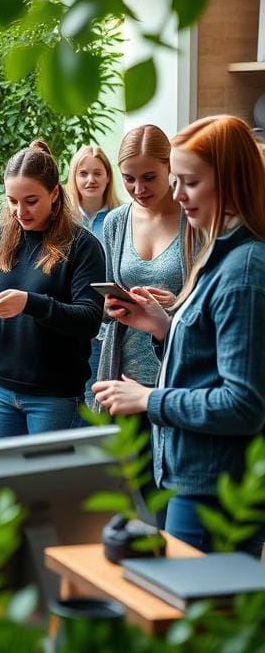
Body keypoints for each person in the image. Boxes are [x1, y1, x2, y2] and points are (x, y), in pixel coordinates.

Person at [94, 115, 265, 554]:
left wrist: (148, 399)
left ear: (228, 182)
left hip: (215, 487)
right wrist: (160, 326)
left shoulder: (245, 269)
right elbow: (210, 356)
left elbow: (243, 404)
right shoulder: (220, 253)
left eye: (188, 182)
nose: (176, 193)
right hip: (194, 473)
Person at [0, 141, 105, 437]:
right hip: (0, 387)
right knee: (7, 480)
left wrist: (31, 303)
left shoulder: (82, 245)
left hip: (54, 395)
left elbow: (89, 319)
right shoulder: (0, 238)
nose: (19, 211)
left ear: (54, 193)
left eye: (30, 201)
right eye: (12, 200)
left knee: (47, 483)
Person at [96, 126, 187, 393]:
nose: (138, 189)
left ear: (169, 167)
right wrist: (111, 306)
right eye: (129, 178)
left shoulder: (193, 220)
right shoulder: (116, 222)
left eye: (149, 177)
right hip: (124, 372)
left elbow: (214, 297)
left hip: (178, 372)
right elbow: (106, 301)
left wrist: (179, 302)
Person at [66, 144, 122, 407]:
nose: (90, 180)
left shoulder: (120, 218)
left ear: (108, 176)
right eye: (83, 173)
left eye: (97, 173)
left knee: (100, 401)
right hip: (74, 325)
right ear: (73, 178)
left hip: (108, 327)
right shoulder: (63, 221)